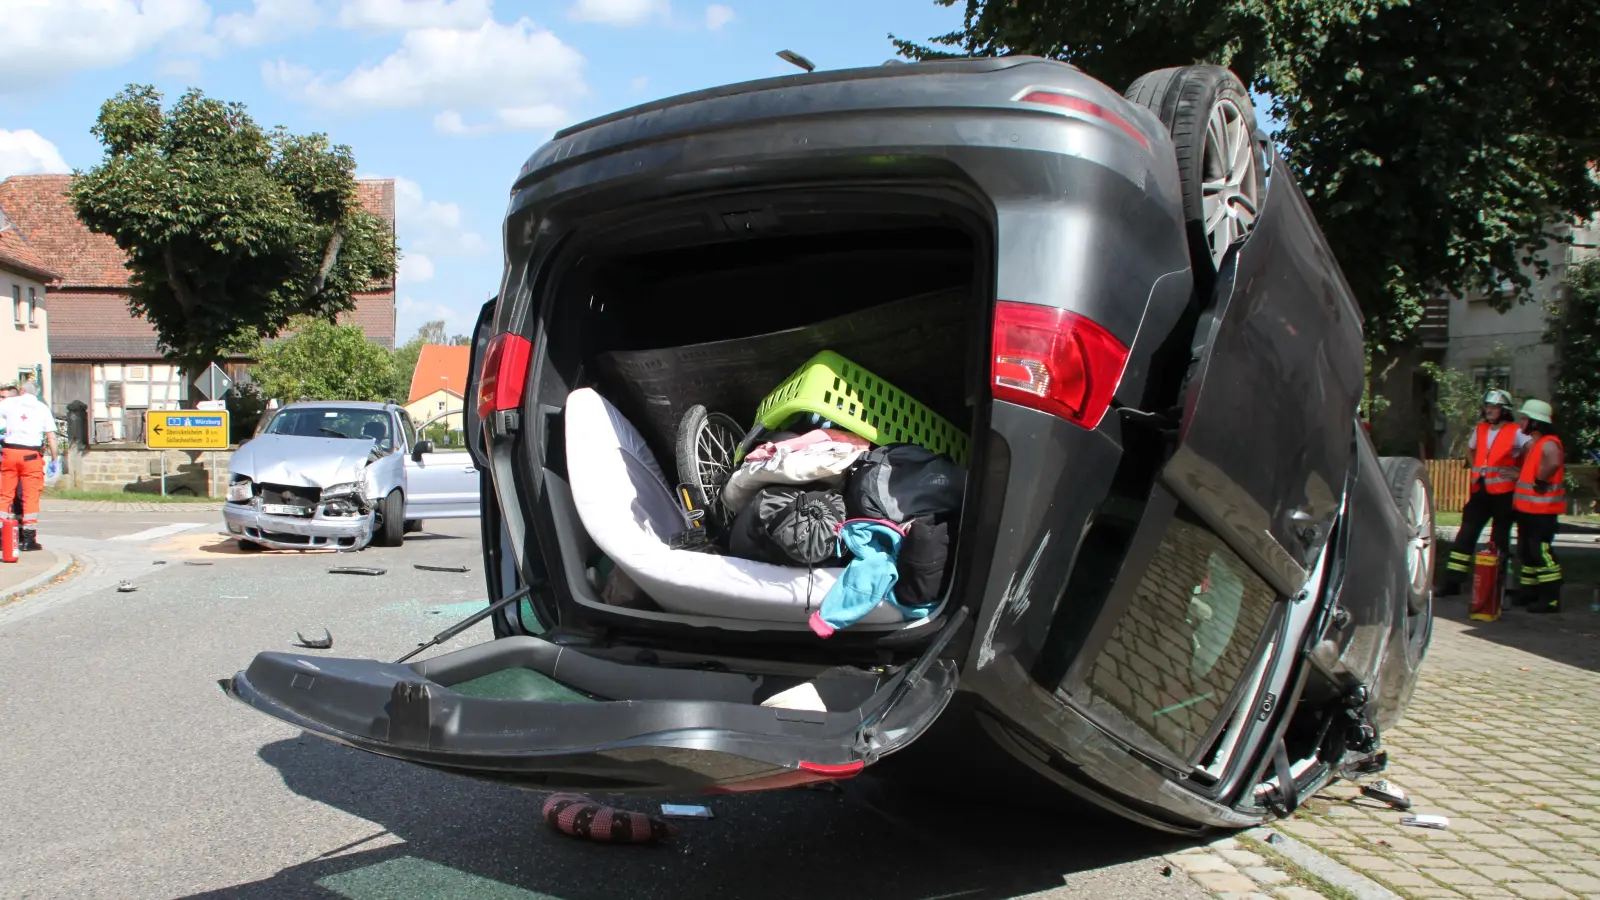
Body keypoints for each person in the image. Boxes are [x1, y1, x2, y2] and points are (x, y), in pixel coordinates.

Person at [1441, 389, 1530, 594]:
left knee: (1499, 540)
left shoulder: (1515, 431)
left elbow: (1532, 450)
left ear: (1504, 410)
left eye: (1494, 407)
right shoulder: (1480, 429)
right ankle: (1452, 582)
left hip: (1504, 493)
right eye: (1487, 406)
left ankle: (1497, 585)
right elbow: (1469, 448)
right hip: (1480, 491)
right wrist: (1475, 466)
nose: (1489, 410)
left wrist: (1520, 472)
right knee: (1465, 536)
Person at [1511, 398, 1565, 613]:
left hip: (1543, 511)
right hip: (1528, 510)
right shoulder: (1537, 443)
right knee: (1527, 552)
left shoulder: (1549, 442)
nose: (1521, 422)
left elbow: (1554, 462)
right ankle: (1530, 592)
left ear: (1536, 422)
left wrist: (1541, 480)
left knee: (1540, 552)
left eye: (1524, 418)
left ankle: (1550, 597)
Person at [0, 380, 59, 551]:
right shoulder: (42, 408)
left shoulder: (8, 403)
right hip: (31, 456)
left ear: (22, 390)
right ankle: (28, 539)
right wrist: (55, 459)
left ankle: (2, 535)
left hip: (10, 452)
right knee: (30, 497)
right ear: (36, 393)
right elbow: (51, 437)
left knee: (5, 495)